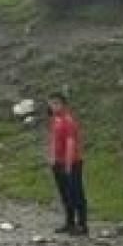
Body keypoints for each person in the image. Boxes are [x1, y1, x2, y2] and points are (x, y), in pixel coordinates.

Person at [48, 93, 88, 235]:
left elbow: (71, 142)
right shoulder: (54, 120)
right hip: (58, 162)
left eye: (56, 104)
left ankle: (82, 224)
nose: (53, 107)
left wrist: (69, 163)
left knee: (76, 193)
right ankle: (69, 221)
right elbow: (53, 139)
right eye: (52, 104)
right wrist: (52, 157)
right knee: (65, 193)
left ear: (63, 105)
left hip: (72, 162)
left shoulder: (68, 121)